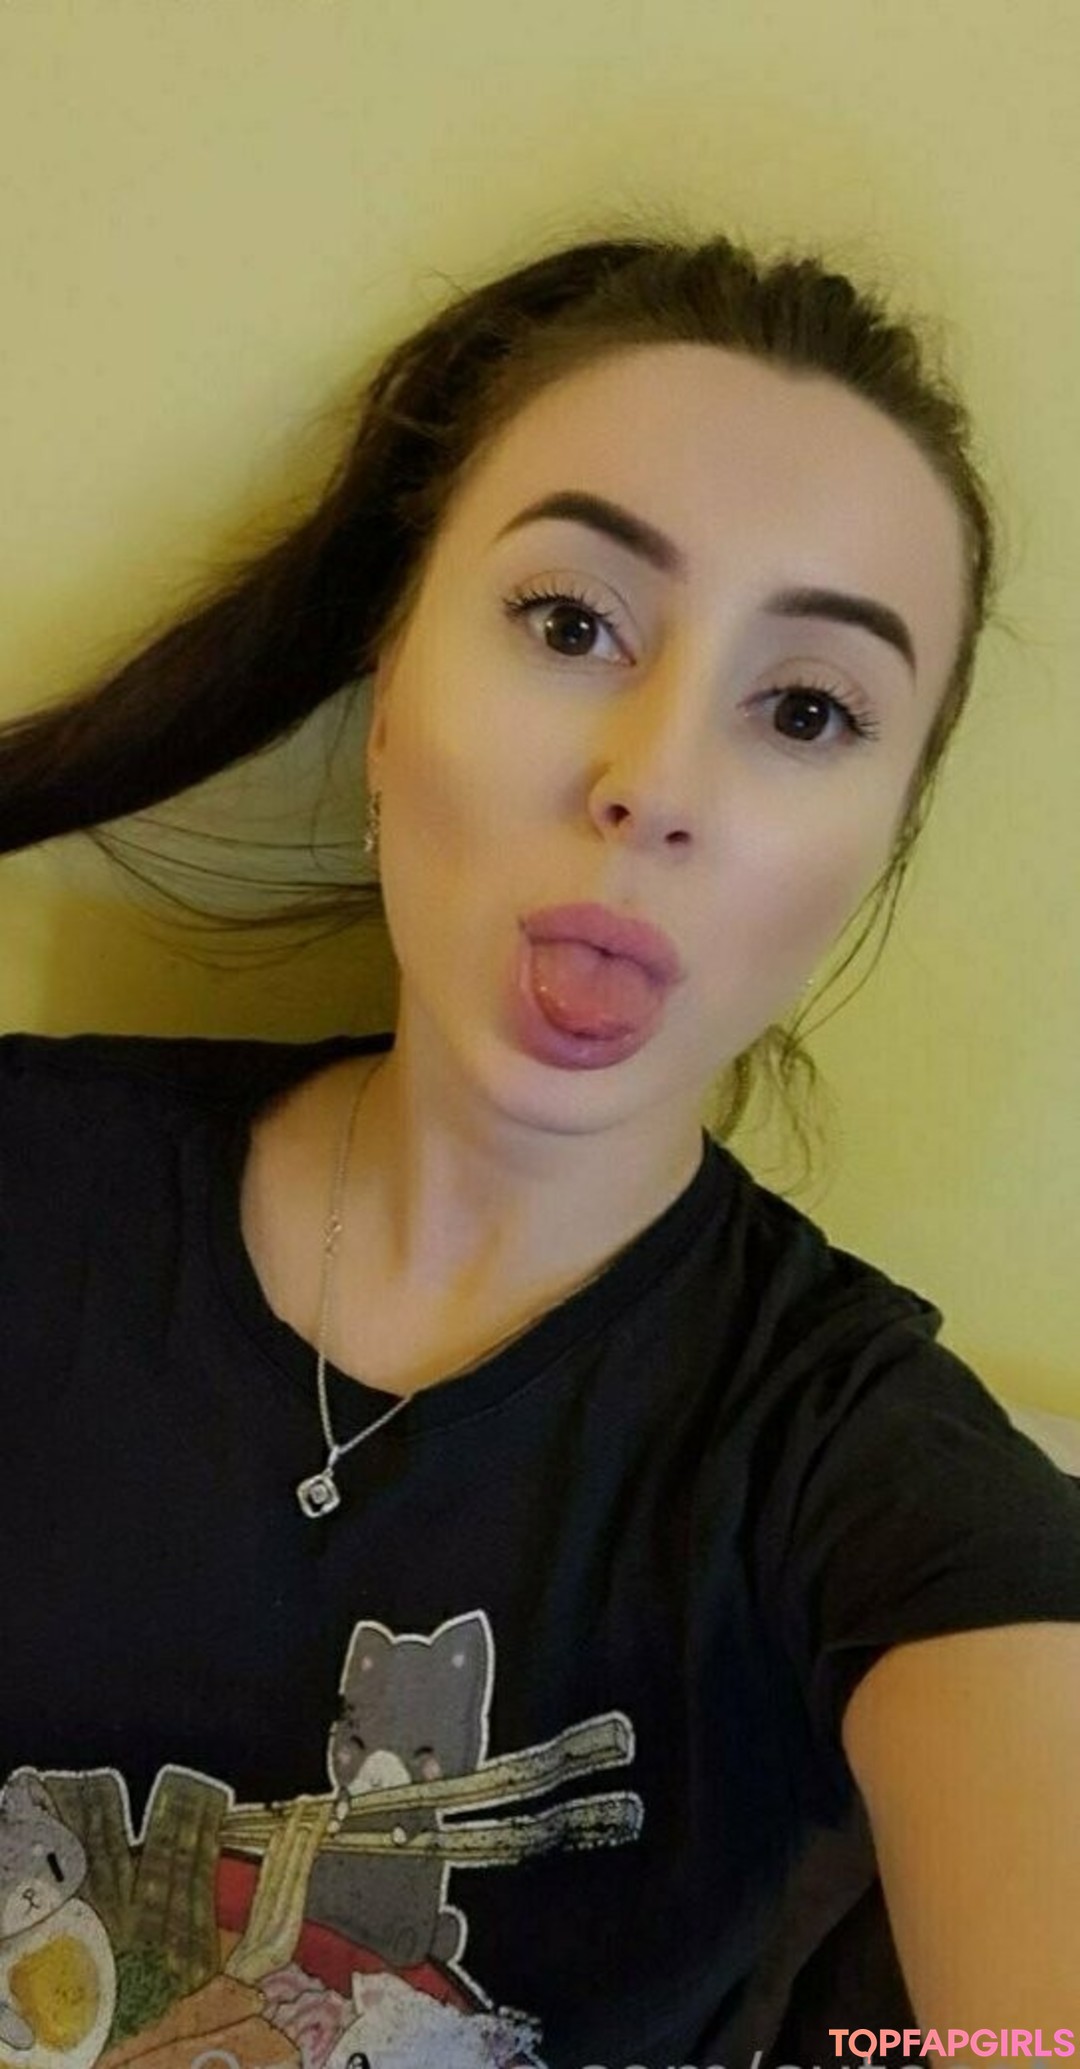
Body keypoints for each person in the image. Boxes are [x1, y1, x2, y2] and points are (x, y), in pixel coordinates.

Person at [0, 232, 1078, 2069]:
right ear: (389, 686)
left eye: (806, 709)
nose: (657, 781)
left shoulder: (855, 1464)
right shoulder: (37, 1182)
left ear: (876, 850)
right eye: (573, 623)